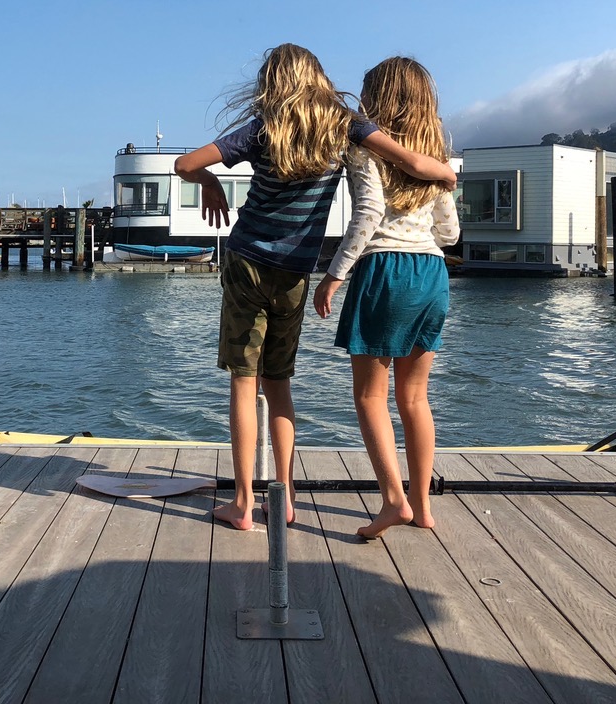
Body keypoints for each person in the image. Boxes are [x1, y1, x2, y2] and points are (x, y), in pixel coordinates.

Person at [175, 44, 456, 530]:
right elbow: (421, 178)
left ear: (270, 83)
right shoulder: (344, 126)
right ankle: (285, 497)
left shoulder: (263, 129)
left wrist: (209, 182)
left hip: (250, 263)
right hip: (306, 272)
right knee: (282, 385)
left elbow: (184, 164)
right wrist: (445, 173)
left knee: (245, 382)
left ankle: (243, 503)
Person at [313, 56, 460, 537]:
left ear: (376, 98)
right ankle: (423, 505)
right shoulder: (436, 157)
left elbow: (369, 213)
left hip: (385, 270)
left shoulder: (364, 148)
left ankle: (394, 501)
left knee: (369, 395)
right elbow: (450, 234)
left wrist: (335, 274)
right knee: (415, 398)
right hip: (432, 273)